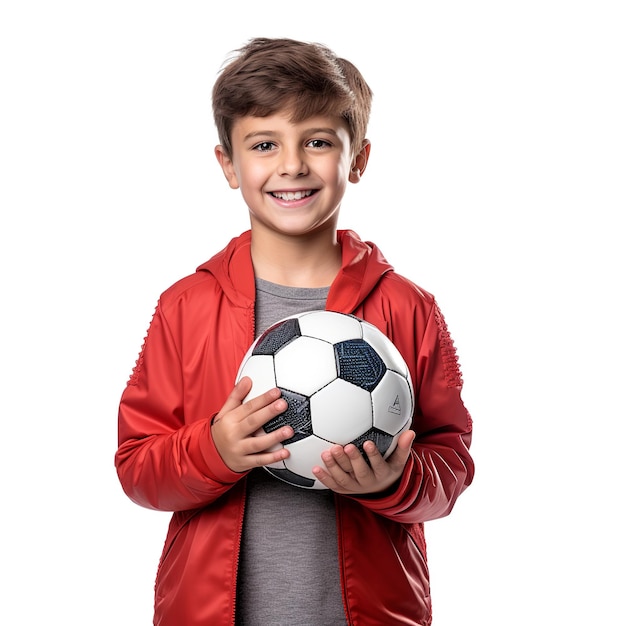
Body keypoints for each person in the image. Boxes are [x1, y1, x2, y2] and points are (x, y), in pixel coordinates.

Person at [115, 37, 474, 626]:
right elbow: (136, 467)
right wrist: (215, 450)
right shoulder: (185, 306)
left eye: (317, 141)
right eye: (264, 144)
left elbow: (452, 462)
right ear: (228, 164)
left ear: (357, 158)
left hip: (371, 614)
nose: (292, 165)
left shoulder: (408, 308)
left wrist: (397, 480)